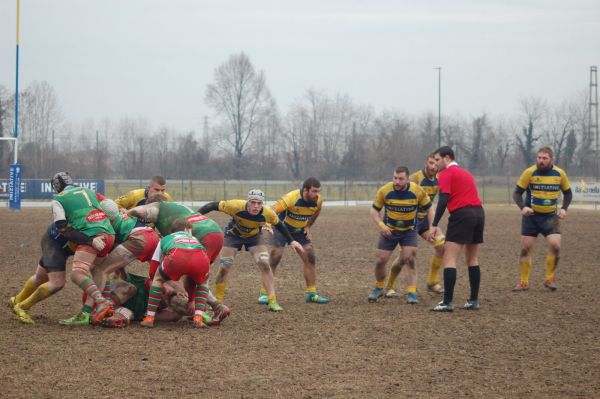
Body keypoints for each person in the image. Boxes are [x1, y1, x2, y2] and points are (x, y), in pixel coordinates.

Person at [199, 189, 304, 312]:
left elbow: (279, 224)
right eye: (253, 202)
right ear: (248, 202)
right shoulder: (235, 205)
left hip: (254, 237)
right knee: (225, 266)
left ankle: (272, 300)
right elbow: (212, 205)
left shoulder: (268, 212)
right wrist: (193, 216)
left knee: (265, 264)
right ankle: (218, 301)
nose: (256, 206)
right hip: (233, 235)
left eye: (259, 203)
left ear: (262, 203)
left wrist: (291, 241)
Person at [47, 172, 117, 325]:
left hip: (92, 235)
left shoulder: (58, 199)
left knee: (77, 274)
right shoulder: (89, 191)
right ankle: (86, 313)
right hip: (109, 233)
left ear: (56, 187)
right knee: (97, 270)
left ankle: (102, 302)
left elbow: (63, 229)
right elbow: (111, 208)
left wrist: (90, 240)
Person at [368, 166, 434, 304]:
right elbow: (374, 211)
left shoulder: (417, 190)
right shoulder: (385, 190)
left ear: (408, 179)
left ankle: (411, 292)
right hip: (389, 230)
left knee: (409, 258)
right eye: (395, 178)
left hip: (409, 230)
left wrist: (433, 226)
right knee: (381, 260)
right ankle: (379, 288)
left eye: (401, 179)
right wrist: (382, 226)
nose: (397, 181)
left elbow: (430, 209)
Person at [429, 146, 484, 312]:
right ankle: (473, 300)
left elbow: (443, 200)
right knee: (472, 259)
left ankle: (447, 302)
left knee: (449, 258)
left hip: (462, 215)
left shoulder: (446, 174)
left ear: (447, 158)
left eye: (437, 160)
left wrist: (434, 224)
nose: (434, 165)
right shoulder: (465, 173)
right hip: (479, 214)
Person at [512, 146, 572, 292]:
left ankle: (549, 279)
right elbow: (517, 193)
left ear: (552, 159)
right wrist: (522, 207)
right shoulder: (529, 172)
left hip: (550, 217)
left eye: (544, 158)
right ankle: (523, 282)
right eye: (539, 157)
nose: (541, 161)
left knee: (555, 246)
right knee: (526, 249)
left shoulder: (559, 173)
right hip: (531, 217)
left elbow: (568, 193)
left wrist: (564, 208)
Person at [385, 154, 446, 297]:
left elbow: (430, 206)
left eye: (435, 163)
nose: (433, 166)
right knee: (405, 257)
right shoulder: (414, 178)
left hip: (423, 220)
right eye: (430, 162)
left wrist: (433, 225)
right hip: (408, 222)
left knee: (441, 245)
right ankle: (389, 286)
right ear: (426, 162)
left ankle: (432, 282)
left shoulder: (439, 180)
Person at [140, 219, 212, 328]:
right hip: (200, 257)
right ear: (187, 229)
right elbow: (193, 279)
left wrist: (157, 280)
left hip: (178, 256)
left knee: (157, 279)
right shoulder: (194, 238)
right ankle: (198, 318)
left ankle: (149, 318)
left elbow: (154, 265)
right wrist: (191, 300)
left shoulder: (166, 238)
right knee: (203, 282)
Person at [267, 177, 329, 304]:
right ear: (305, 190)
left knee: (310, 255)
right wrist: (267, 223)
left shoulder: (318, 200)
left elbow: (317, 211)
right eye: (314, 191)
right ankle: (265, 293)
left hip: (299, 231)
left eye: (319, 191)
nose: (317, 194)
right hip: (281, 229)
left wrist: (308, 226)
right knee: (276, 256)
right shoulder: (291, 197)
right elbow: (272, 210)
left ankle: (311, 294)